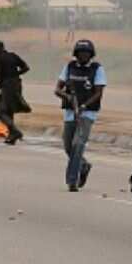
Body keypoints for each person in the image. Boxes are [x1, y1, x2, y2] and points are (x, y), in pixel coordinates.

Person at [55, 39, 105, 191]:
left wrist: (84, 106)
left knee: (78, 145)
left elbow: (98, 93)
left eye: (87, 53)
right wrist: (68, 97)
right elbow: (57, 89)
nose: (84, 56)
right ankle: (83, 165)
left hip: (87, 113)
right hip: (70, 112)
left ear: (91, 54)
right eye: (81, 53)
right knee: (68, 146)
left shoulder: (97, 69)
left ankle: (72, 181)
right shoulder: (69, 67)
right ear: (76, 54)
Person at [0, 40, 31, 144]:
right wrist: (15, 74)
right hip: (17, 85)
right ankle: (12, 136)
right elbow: (26, 68)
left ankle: (15, 132)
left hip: (7, 87)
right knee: (9, 111)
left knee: (0, 113)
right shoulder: (13, 55)